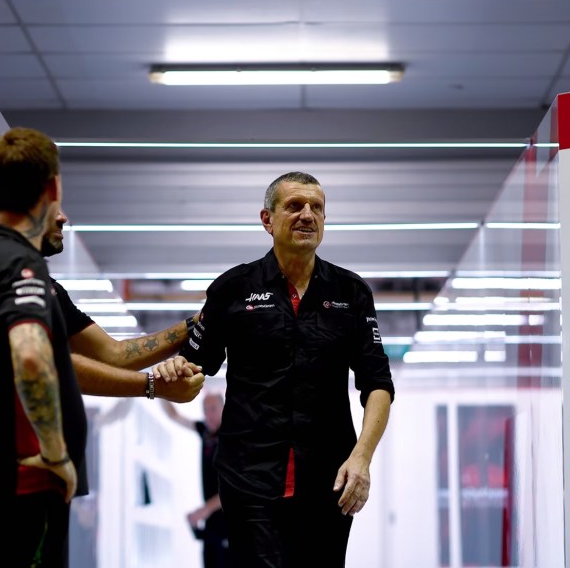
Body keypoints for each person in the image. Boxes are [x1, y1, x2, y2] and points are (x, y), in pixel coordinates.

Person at [0, 202, 204, 566]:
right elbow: (46, 364)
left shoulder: (41, 285)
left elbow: (115, 354)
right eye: (48, 207)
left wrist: (197, 323)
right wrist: (152, 385)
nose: (62, 217)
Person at [157, 171, 395, 567]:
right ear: (267, 220)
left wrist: (362, 457)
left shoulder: (351, 293)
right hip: (248, 478)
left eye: (317, 207)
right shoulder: (232, 288)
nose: (307, 215)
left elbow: (378, 384)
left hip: (329, 479)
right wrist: (174, 369)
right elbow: (196, 367)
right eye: (294, 206)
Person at [162, 392, 231, 568]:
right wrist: (157, 389)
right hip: (211, 525)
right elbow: (173, 415)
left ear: (224, 409)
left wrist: (205, 510)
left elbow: (233, 489)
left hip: (229, 524)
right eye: (205, 410)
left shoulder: (232, 438)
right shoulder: (205, 432)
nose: (208, 415)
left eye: (213, 409)